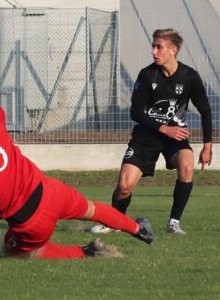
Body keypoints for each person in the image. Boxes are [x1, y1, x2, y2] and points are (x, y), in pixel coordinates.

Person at [0, 69, 154, 262]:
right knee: (92, 210)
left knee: (14, 250)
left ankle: (84, 252)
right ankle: (138, 228)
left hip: (31, 223)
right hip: (51, 192)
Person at [91, 29, 213, 236]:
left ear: (173, 50)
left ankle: (173, 223)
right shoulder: (147, 75)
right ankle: (114, 222)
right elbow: (136, 112)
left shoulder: (189, 76)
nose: (153, 51)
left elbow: (205, 110)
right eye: (153, 46)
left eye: (159, 47)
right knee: (124, 186)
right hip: (146, 136)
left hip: (175, 138)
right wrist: (165, 128)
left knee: (186, 165)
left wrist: (207, 146)